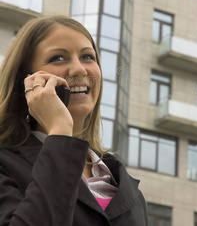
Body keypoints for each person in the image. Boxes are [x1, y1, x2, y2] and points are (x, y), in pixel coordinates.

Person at [0, 15, 148, 226]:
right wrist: (60, 131)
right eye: (58, 58)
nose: (80, 69)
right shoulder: (5, 164)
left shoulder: (123, 182)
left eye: (88, 57)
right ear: (26, 81)